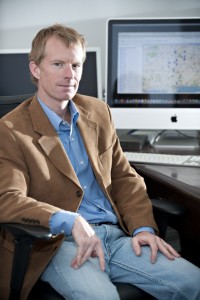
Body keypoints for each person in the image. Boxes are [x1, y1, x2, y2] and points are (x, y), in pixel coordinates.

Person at [0, 24, 199, 300]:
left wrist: (143, 228)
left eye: (76, 65)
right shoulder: (10, 130)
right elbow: (7, 199)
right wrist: (70, 221)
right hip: (59, 245)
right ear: (36, 69)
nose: (70, 75)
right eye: (58, 64)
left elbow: (123, 177)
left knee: (194, 283)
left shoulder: (98, 111)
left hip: (117, 239)